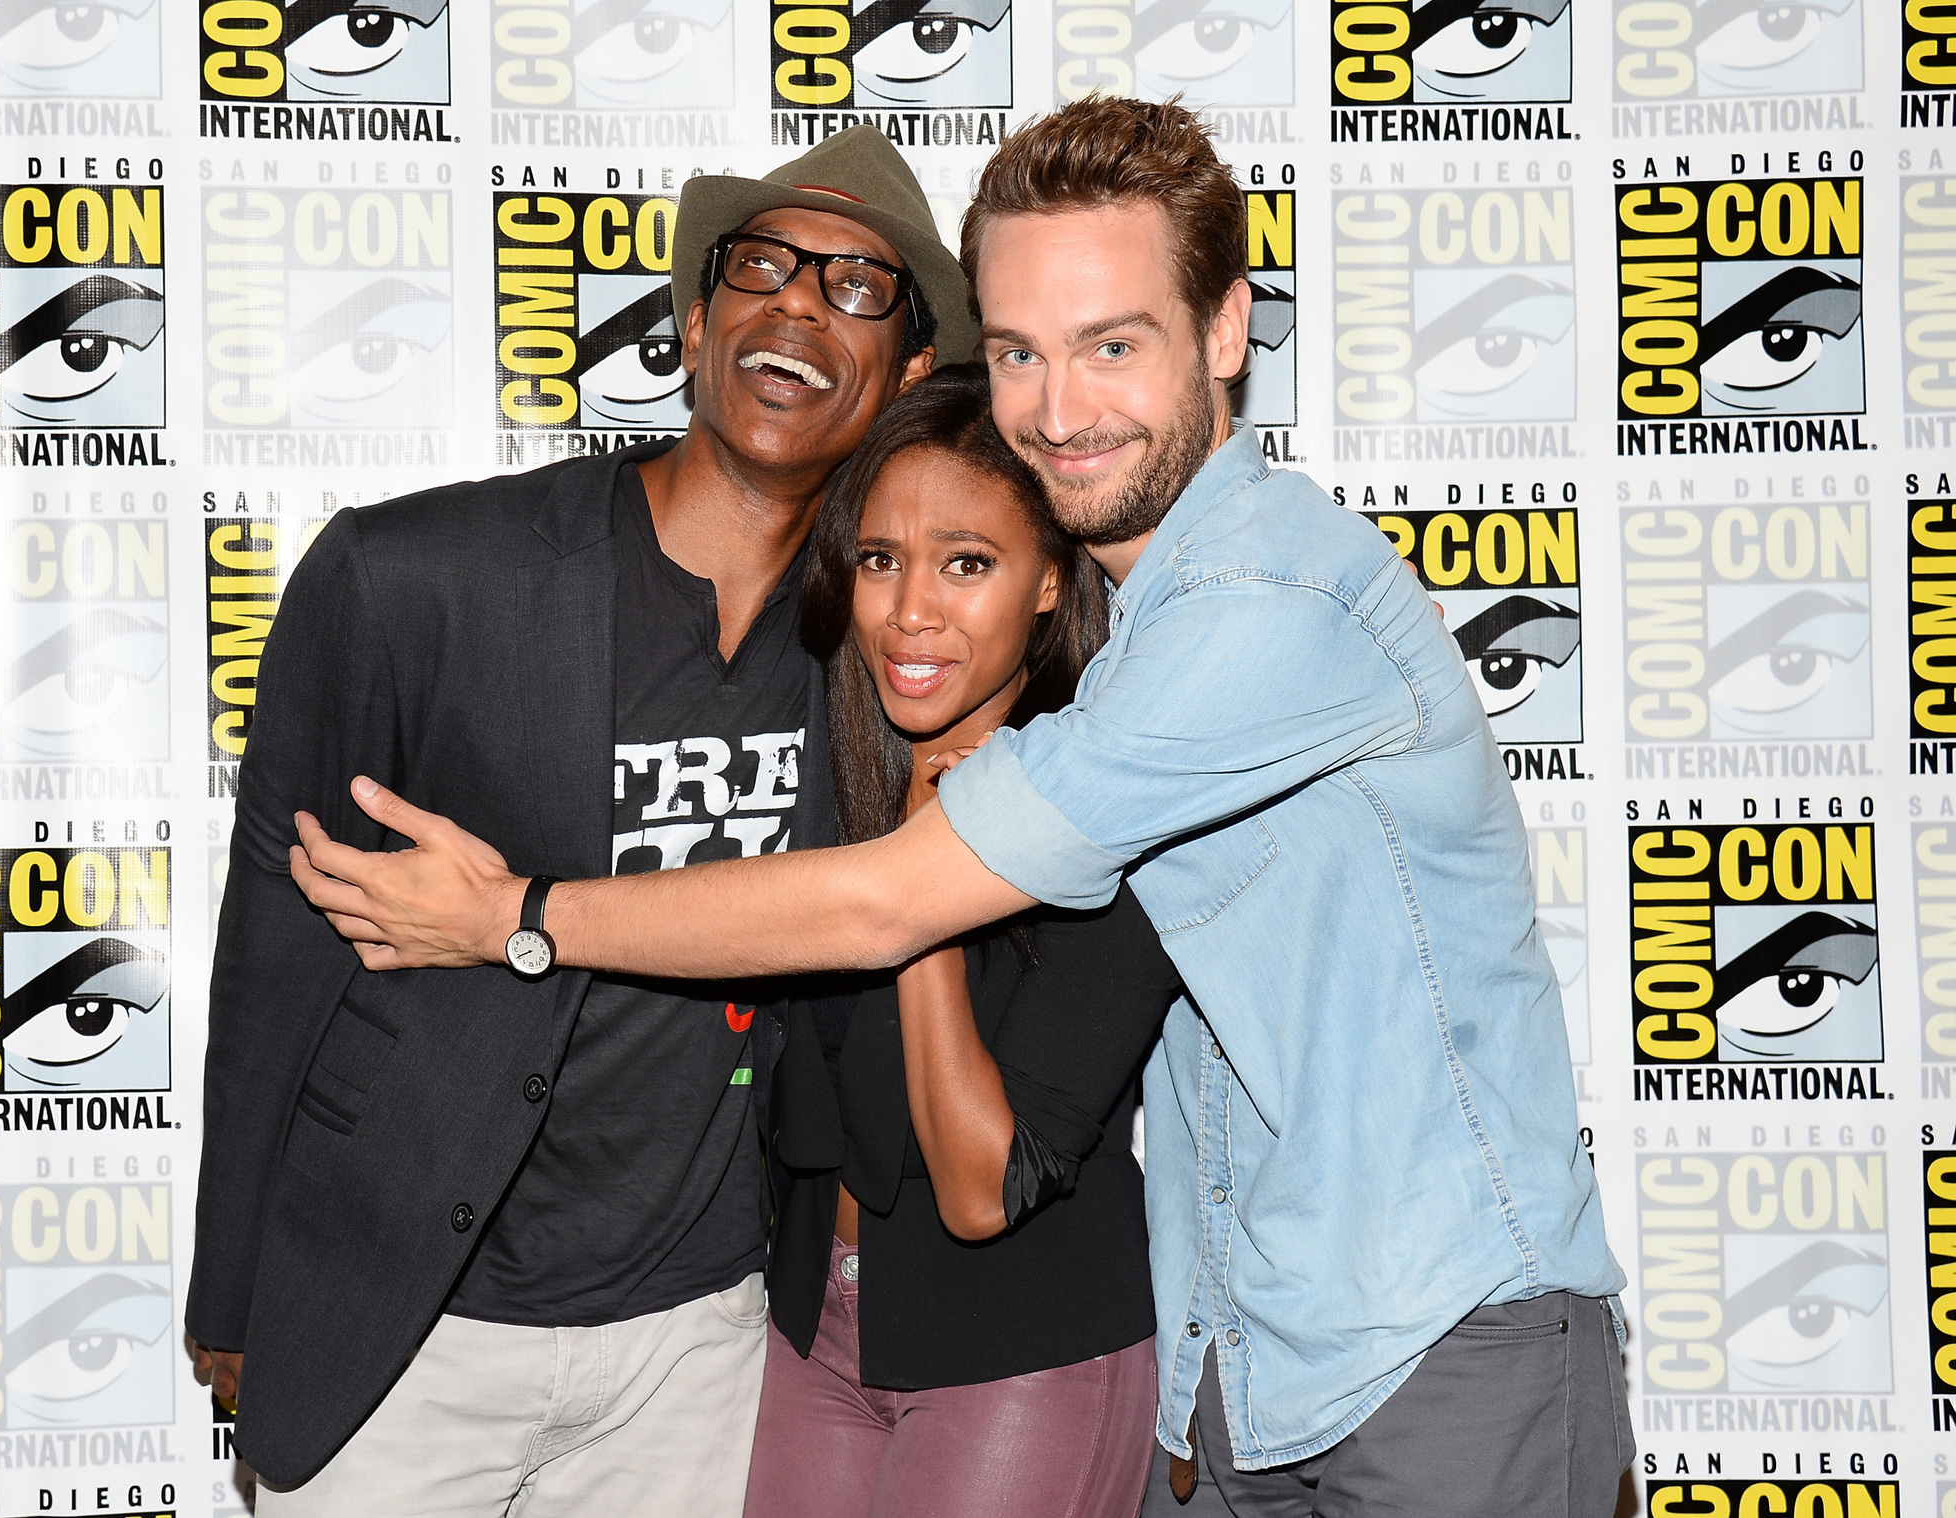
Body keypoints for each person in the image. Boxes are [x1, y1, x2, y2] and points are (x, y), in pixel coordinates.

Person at [290, 97, 1635, 1515]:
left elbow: (888, 903)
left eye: (1114, 344)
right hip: (1241, 1357)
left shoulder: (1265, 605)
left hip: (1442, 1344)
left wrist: (515, 914)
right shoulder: (1126, 628)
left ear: (1228, 331)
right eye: (1020, 354)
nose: (1060, 409)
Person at [184, 125, 974, 1514]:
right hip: (403, 1328)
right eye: (765, 267)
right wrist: (234, 1283)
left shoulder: (888, 652)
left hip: (699, 1348)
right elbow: (275, 952)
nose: (800, 302)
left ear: (911, 366)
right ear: (692, 318)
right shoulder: (410, 577)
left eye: (858, 285)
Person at [746, 365, 1178, 1518]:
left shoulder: (1113, 816)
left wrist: (925, 891)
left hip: (1022, 1346)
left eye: (966, 562)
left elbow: (982, 1187)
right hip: (813, 1327)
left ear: (1048, 580)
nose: (910, 610)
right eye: (879, 559)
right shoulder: (833, 776)